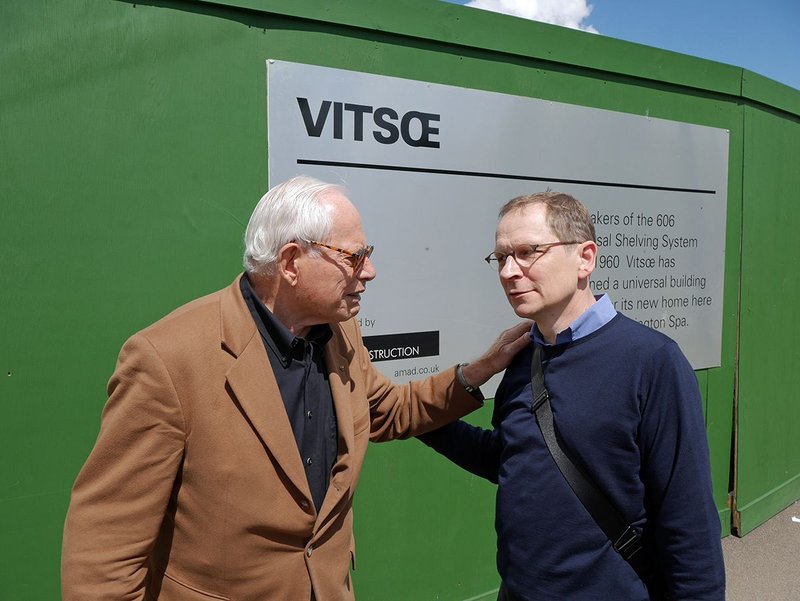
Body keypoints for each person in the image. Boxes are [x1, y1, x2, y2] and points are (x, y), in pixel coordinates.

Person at [61, 176, 531, 601]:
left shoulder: (339, 333)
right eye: (354, 257)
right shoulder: (167, 359)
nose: (369, 272)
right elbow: (105, 548)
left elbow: (384, 411)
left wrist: (476, 372)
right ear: (290, 262)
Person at [419, 191, 725, 600]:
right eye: (501, 257)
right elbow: (511, 459)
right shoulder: (523, 355)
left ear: (585, 258)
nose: (510, 271)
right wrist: (417, 416)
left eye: (528, 252)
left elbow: (689, 521)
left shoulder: (651, 361)